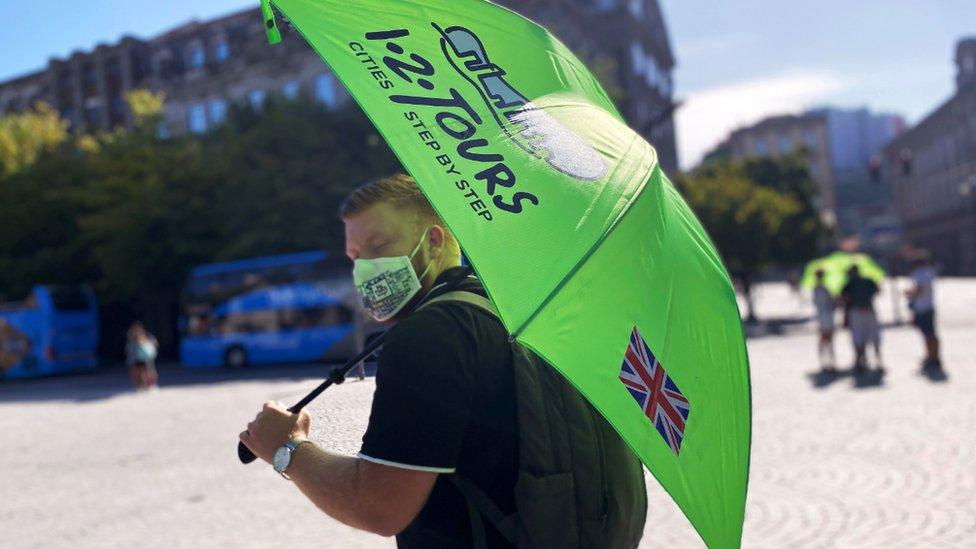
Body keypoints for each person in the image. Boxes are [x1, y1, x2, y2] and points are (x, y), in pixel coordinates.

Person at [240, 174, 646, 548]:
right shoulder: (498, 308)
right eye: (355, 257)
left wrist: (287, 448)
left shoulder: (431, 333)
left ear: (434, 241)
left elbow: (378, 506)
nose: (365, 269)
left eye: (379, 246)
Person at [840, 265, 881, 372]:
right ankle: (878, 360)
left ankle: (860, 360)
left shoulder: (849, 284)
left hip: (856, 311)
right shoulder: (868, 280)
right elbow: (878, 291)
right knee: (874, 336)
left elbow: (844, 298)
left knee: (858, 337)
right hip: (869, 310)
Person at [906, 253, 942, 370]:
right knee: (929, 334)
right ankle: (932, 356)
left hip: (923, 308)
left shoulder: (920, 274)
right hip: (927, 306)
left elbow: (919, 289)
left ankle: (933, 356)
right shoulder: (928, 272)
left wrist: (910, 293)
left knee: (928, 334)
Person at [812, 269, 837, 372]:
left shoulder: (816, 289)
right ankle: (828, 362)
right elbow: (831, 303)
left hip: (821, 316)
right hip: (826, 316)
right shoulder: (823, 289)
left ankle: (825, 362)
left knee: (824, 340)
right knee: (828, 340)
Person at [126, 322, 159, 391]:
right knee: (138, 373)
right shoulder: (131, 338)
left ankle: (151, 384)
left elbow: (155, 344)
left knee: (149, 372)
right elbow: (129, 349)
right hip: (135, 359)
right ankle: (140, 385)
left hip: (146, 358)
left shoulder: (148, 337)